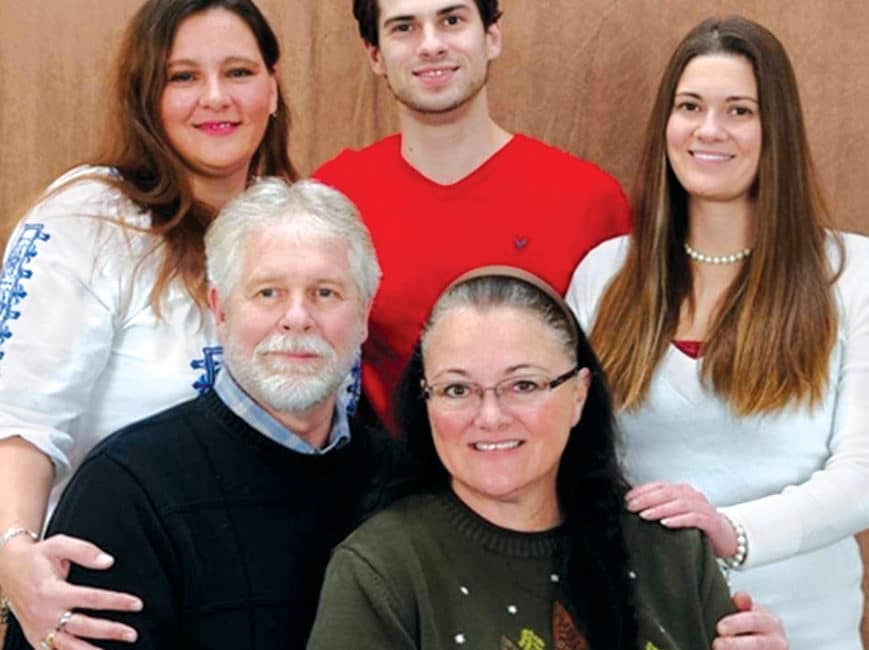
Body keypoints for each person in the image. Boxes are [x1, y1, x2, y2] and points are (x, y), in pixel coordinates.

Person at [566, 16, 869, 650]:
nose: (709, 130)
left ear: (775, 129)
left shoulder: (854, 276)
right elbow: (573, 460)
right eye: (690, 106)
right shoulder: (605, 274)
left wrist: (731, 530)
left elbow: (861, 475)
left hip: (805, 631)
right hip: (642, 623)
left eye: (739, 110)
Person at [0, 1, 295, 648]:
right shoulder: (87, 222)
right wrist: (13, 551)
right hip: (113, 602)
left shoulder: (293, 230)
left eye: (238, 71)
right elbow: (20, 419)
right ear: (145, 97)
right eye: (182, 76)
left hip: (263, 599)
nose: (214, 97)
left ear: (272, 86)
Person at [308, 267, 788, 650]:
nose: (490, 416)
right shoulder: (380, 569)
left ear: (579, 394)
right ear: (425, 400)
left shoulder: (671, 549)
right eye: (457, 389)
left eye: (524, 385)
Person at [3, 177, 386, 650]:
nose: (297, 317)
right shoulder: (125, 492)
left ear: (365, 313)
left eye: (325, 293)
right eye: (268, 293)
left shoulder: (401, 484)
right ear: (220, 312)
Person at [313, 0, 631, 429]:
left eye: (452, 20)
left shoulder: (589, 200)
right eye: (404, 27)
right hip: (387, 482)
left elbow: (623, 380)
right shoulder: (333, 199)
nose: (431, 45)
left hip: (550, 480)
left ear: (491, 37)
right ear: (375, 56)